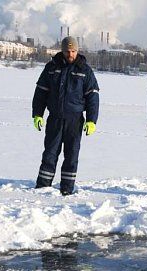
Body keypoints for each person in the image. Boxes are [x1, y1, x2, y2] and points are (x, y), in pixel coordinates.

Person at [32, 36, 100, 196]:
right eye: (67, 51)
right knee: (50, 153)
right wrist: (37, 114)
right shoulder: (51, 67)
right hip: (55, 118)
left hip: (75, 120)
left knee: (71, 154)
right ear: (62, 51)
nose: (70, 54)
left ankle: (67, 188)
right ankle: (43, 186)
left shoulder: (85, 70)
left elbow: (93, 97)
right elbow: (40, 92)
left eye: (73, 51)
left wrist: (92, 120)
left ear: (77, 51)